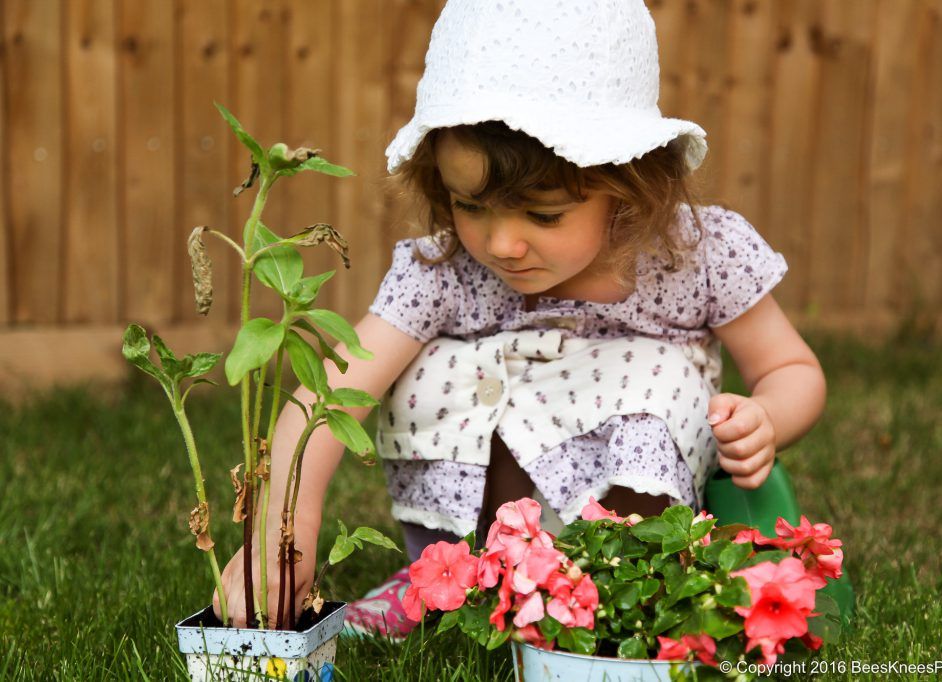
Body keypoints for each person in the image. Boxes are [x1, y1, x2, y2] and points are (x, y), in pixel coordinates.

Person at [214, 0, 826, 638]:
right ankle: (453, 572)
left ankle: (621, 585)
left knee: (659, 373)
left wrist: (768, 418)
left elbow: (790, 367)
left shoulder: (695, 254)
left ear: (629, 182)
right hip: (482, 533)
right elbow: (331, 392)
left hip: (628, 526)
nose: (502, 243)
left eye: (542, 214)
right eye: (470, 204)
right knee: (433, 367)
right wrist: (286, 528)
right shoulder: (444, 270)